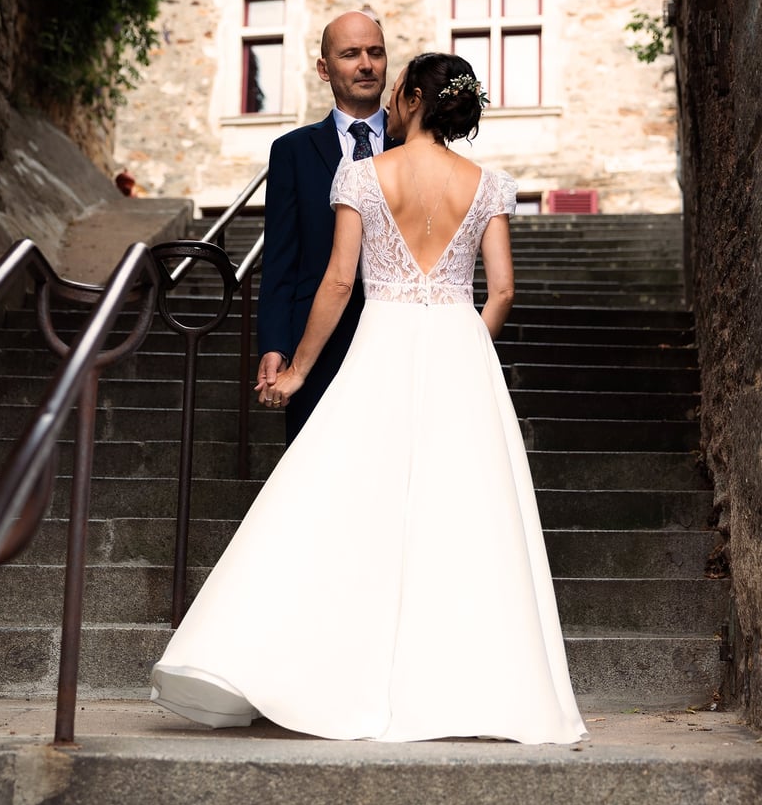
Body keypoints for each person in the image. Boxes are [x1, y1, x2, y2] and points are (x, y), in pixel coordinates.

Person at [151, 52, 587, 745]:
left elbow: (335, 283)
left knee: (343, 499)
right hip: (458, 348)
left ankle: (315, 669)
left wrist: (295, 370)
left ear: (411, 98)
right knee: (465, 514)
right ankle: (472, 686)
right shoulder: (491, 184)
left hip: (381, 342)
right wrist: (466, 340)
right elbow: (501, 289)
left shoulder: (361, 173)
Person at [256, 9, 401, 444]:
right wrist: (274, 344)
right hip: (313, 338)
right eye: (351, 54)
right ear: (324, 68)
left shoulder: (413, 146)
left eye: (375, 52)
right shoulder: (292, 151)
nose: (366, 65)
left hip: (396, 333)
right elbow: (280, 258)